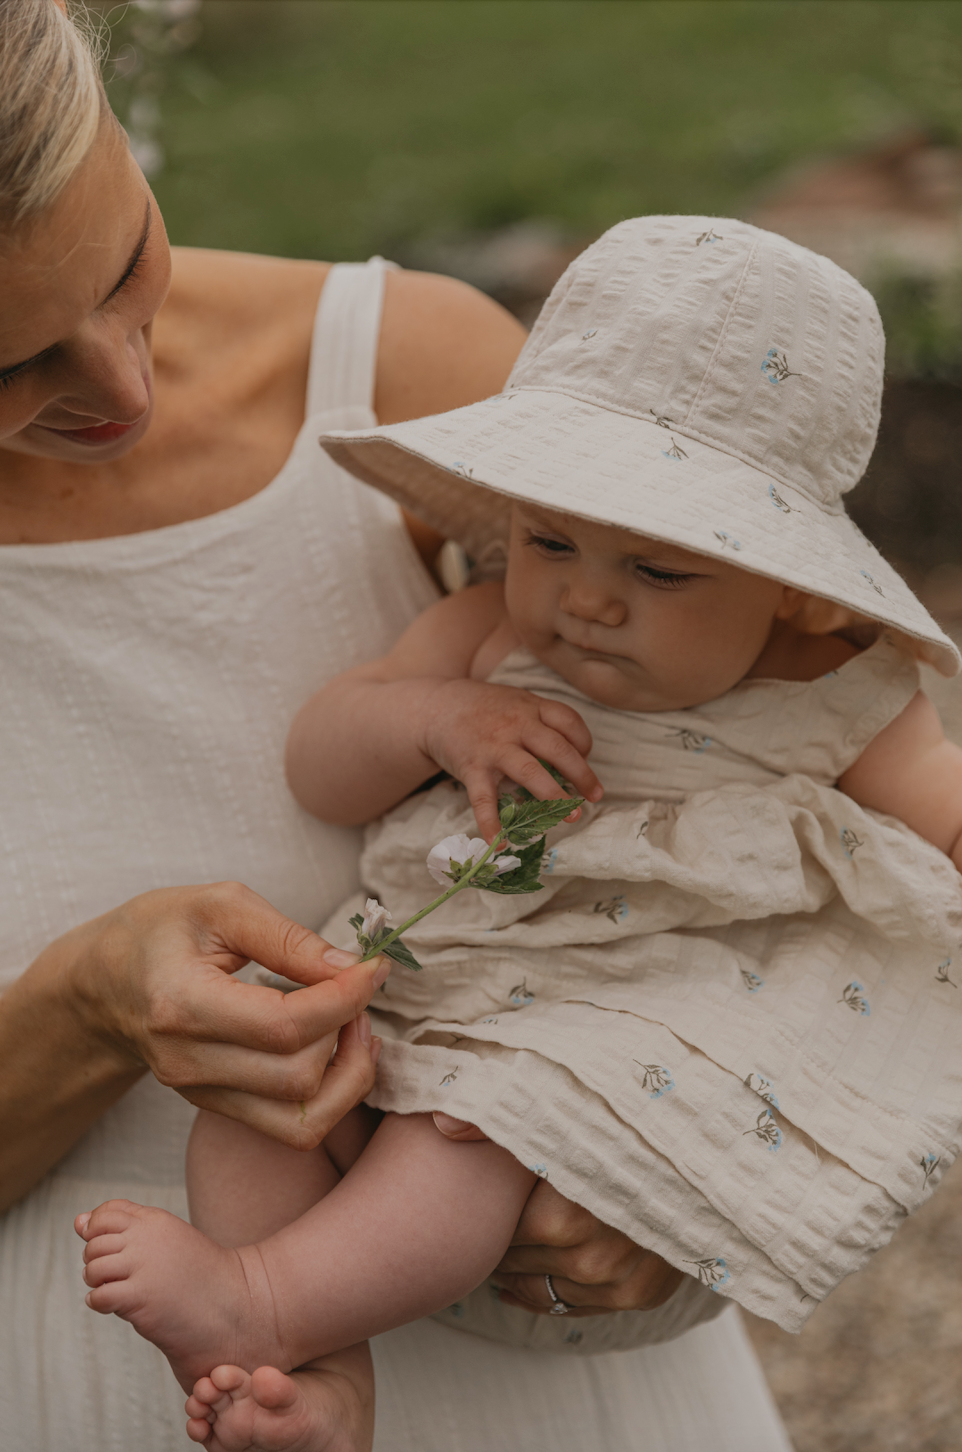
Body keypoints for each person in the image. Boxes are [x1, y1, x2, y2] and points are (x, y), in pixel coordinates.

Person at [0, 5, 792, 1451]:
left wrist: (680, 1200)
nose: (122, 382)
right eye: (2, 371)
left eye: (124, 261)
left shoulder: (411, 381)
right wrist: (81, 1012)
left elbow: (747, 818)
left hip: (526, 1386)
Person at [77, 219, 962, 1450]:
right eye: (552, 540)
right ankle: (324, 1377)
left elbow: (946, 822)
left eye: (657, 571)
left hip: (593, 1032)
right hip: (407, 970)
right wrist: (436, 717)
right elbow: (321, 761)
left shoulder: (834, 697)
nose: (584, 596)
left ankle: (262, 1300)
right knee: (257, 1090)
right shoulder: (495, 633)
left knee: (475, 1134)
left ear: (796, 587)